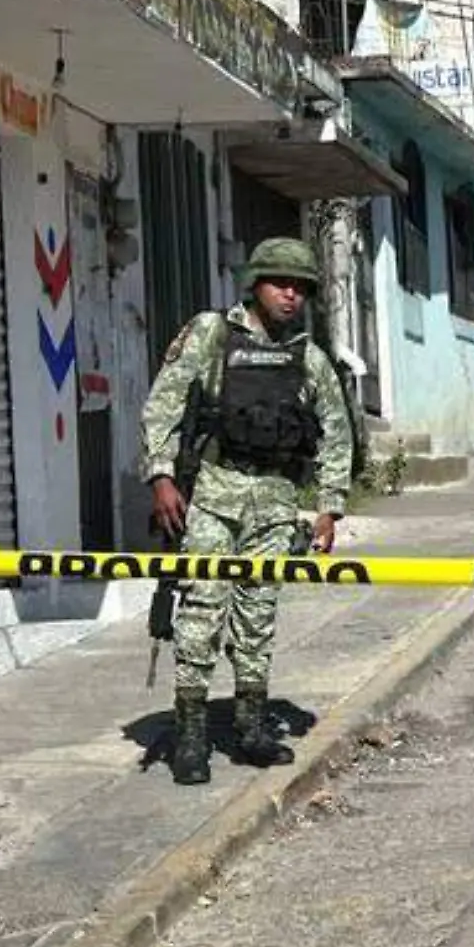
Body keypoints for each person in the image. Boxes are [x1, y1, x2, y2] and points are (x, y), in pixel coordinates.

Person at [140, 237, 354, 786]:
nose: (291, 294)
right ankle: (190, 738)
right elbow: (163, 402)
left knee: (257, 616)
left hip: (276, 501)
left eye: (301, 286)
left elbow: (336, 429)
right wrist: (162, 475)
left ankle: (252, 727)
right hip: (212, 492)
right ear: (254, 284)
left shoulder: (307, 355)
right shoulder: (211, 334)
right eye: (280, 283)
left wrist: (329, 507)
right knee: (201, 613)